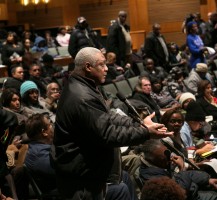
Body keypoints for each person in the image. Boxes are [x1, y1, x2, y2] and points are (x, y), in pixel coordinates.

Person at [50, 47, 172, 199]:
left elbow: (108, 117)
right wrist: (146, 133)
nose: (107, 69)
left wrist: (139, 124)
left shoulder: (84, 86)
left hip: (87, 173)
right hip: (81, 180)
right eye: (102, 64)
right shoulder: (82, 97)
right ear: (88, 67)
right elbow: (108, 134)